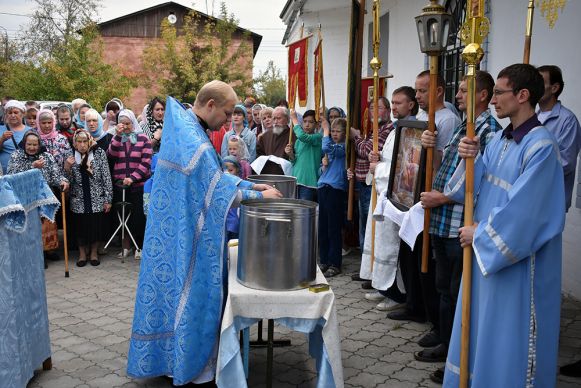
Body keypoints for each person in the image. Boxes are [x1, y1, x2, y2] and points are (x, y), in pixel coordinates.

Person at [127, 81, 281, 386]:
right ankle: (187, 364)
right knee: (188, 294)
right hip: (187, 237)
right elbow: (215, 189)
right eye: (225, 112)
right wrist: (260, 198)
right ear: (209, 104)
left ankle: (170, 358)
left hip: (177, 229)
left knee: (172, 294)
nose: (228, 119)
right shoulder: (193, 140)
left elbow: (214, 179)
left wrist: (252, 185)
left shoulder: (188, 128)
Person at [442, 63, 565, 387]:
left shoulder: (541, 147)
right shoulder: (498, 138)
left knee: (508, 337)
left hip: (517, 264)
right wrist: (471, 157)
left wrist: (479, 233)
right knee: (483, 330)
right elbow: (474, 188)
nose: (492, 98)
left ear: (522, 95)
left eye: (499, 91)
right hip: (488, 257)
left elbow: (526, 214)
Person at [417, 71, 501, 383]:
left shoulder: (488, 130)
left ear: (483, 95)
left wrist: (442, 197)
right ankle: (446, 342)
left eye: (466, 90)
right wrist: (432, 147)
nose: (460, 95)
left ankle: (459, 357)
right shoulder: (464, 127)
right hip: (444, 221)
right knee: (445, 289)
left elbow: (479, 181)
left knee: (457, 292)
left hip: (460, 222)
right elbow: (445, 166)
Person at [358, 86, 419, 312]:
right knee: (380, 242)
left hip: (398, 197)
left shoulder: (413, 129)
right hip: (385, 194)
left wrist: (379, 167)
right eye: (392, 103)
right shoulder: (395, 128)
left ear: (411, 104)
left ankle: (395, 292)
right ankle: (382, 285)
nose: (394, 107)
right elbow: (390, 158)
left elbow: (406, 167)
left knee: (392, 247)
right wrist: (378, 157)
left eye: (398, 103)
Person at [349, 97, 392, 259]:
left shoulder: (387, 129)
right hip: (364, 182)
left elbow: (367, 151)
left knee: (369, 225)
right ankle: (365, 263)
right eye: (372, 108)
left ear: (387, 111)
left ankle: (370, 263)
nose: (375, 111)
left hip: (375, 183)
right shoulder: (375, 129)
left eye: (379, 108)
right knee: (363, 224)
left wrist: (356, 137)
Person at [107, 109, 152, 259]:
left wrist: (133, 177)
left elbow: (145, 162)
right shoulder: (117, 138)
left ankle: (139, 246)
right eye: (122, 123)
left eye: (128, 123)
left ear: (133, 123)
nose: (125, 126)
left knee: (138, 217)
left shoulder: (143, 139)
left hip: (138, 184)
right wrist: (118, 136)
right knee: (122, 216)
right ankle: (125, 246)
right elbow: (111, 155)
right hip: (121, 184)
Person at [64, 130, 113, 267]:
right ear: (74, 143)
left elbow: (106, 177)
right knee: (80, 226)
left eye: (85, 141)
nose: (82, 145)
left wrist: (108, 199)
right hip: (78, 198)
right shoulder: (70, 156)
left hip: (96, 197)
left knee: (95, 225)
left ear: (89, 141)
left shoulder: (99, 153)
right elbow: (67, 182)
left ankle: (93, 252)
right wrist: (67, 168)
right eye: (79, 141)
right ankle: (82, 254)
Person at [536, 65, 581, 211]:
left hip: (551, 200)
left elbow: (566, 163)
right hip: (532, 196)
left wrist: (531, 173)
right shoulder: (532, 117)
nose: (534, 87)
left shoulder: (567, 120)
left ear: (554, 88)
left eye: (540, 82)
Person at [318, 116, 348, 277]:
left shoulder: (343, 148)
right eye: (333, 131)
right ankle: (324, 260)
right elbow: (321, 172)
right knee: (322, 226)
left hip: (335, 189)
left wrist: (325, 130)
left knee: (333, 227)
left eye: (338, 131)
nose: (335, 134)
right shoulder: (331, 147)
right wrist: (323, 167)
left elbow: (330, 149)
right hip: (323, 186)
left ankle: (335, 262)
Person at [287, 109, 322, 201]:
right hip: (296, 180)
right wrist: (290, 154)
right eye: (304, 121)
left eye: (311, 122)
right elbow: (295, 161)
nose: (307, 124)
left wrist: (294, 120)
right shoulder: (298, 141)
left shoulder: (317, 137)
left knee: (305, 212)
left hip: (309, 183)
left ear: (317, 125)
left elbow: (303, 137)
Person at [255, 106, 296, 175]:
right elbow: (259, 154)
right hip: (268, 175)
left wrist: (290, 154)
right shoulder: (265, 136)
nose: (276, 122)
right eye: (274, 119)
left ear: (287, 119)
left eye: (279, 118)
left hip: (285, 176)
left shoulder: (293, 135)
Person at [0, 100, 31, 172]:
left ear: (22, 114)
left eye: (16, 112)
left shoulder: (30, 131)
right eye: (10, 113)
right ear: (6, 115)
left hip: (24, 173)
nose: (13, 115)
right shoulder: (1, 129)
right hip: (4, 174)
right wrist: (2, 139)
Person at [223, 155, 242, 240]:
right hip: (224, 223)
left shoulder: (239, 184)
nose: (228, 173)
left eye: (231, 170)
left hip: (234, 222)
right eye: (225, 170)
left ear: (237, 171)